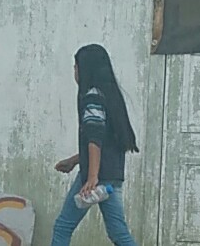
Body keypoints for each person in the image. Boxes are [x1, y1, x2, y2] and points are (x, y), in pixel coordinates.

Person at [51, 44, 140, 245]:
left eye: (76, 67)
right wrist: (75, 161)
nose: (74, 72)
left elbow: (95, 138)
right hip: (111, 175)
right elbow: (106, 141)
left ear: (84, 69)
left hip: (97, 177)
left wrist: (91, 177)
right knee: (118, 233)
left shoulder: (92, 96)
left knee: (63, 227)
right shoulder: (109, 96)